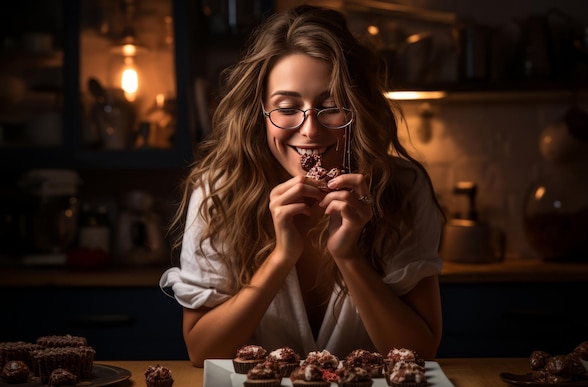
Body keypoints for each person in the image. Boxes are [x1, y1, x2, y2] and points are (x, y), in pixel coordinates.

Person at [160, 4, 445, 367]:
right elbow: (201, 351)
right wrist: (281, 257)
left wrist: (349, 257)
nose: (310, 129)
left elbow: (422, 351)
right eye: (287, 107)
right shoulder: (219, 190)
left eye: (332, 106)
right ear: (260, 112)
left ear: (359, 109)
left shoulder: (403, 188)